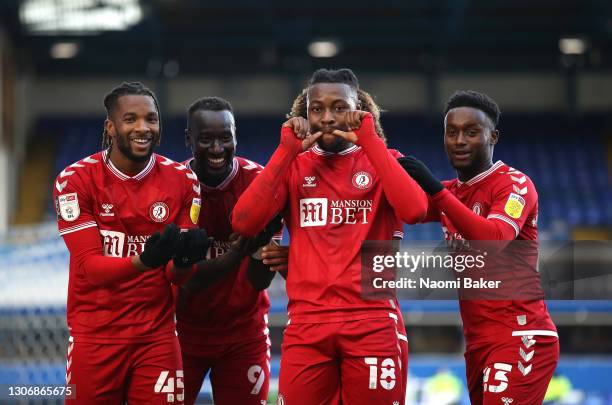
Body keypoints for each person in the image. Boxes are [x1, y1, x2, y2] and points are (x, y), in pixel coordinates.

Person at [232, 68, 427, 404]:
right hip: (307, 324)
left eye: (340, 108)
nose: (327, 117)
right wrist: (284, 152)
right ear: (304, 114)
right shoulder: (294, 166)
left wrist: (371, 142)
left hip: (371, 320)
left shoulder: (384, 162)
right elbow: (244, 223)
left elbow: (415, 211)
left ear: (359, 110)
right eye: (316, 109)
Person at [398, 90, 559, 404]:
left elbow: (493, 239)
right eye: (452, 132)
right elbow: (408, 209)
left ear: (493, 136)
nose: (459, 140)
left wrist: (436, 190)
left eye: (471, 132)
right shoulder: (452, 192)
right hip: (478, 342)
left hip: (521, 335)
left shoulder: (515, 184)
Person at [53, 82, 208, 405]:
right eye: (131, 119)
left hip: (157, 338)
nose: (143, 128)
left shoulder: (183, 180)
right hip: (95, 338)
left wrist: (183, 264)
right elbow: (91, 268)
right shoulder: (75, 180)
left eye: (151, 119)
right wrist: (144, 261)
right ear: (110, 127)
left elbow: (177, 278)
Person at [176, 96, 282, 405]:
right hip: (180, 333)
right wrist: (236, 253)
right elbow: (188, 278)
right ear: (188, 140)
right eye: (206, 139)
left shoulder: (260, 183)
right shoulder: (174, 185)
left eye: (225, 137)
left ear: (235, 135)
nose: (217, 148)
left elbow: (259, 281)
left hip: (243, 334)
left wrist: (259, 245)